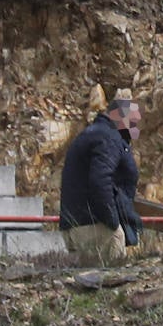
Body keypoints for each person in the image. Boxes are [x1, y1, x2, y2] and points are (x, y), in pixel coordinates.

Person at [59, 96, 144, 266]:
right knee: (112, 281)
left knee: (87, 284)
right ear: (122, 119)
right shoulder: (109, 138)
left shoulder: (91, 134)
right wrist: (112, 222)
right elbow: (100, 180)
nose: (135, 129)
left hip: (75, 226)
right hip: (96, 227)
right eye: (133, 123)